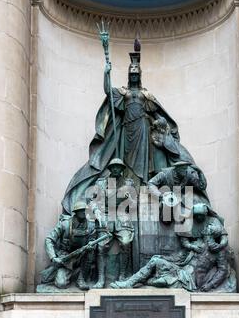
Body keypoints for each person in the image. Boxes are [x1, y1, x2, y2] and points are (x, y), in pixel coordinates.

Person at [62, 43, 196, 215]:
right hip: (126, 132)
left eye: (135, 74)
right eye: (131, 74)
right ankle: (127, 193)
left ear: (139, 76)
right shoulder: (123, 93)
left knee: (143, 164)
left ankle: (144, 192)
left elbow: (158, 115)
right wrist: (106, 73)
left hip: (143, 132)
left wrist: (161, 125)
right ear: (128, 76)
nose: (133, 76)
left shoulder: (146, 95)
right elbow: (108, 92)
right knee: (126, 162)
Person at [88, 158, 136, 288]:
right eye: (113, 167)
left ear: (121, 169)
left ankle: (122, 275)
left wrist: (129, 199)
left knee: (126, 242)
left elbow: (134, 205)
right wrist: (96, 210)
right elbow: (92, 201)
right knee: (101, 246)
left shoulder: (128, 183)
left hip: (122, 216)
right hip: (105, 215)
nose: (116, 169)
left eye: (118, 167)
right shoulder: (101, 183)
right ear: (110, 169)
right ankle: (101, 279)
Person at [41, 202, 96, 290]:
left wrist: (91, 243)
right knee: (61, 284)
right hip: (66, 257)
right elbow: (49, 239)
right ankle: (71, 273)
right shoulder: (65, 224)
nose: (83, 213)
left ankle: (81, 278)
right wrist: (53, 257)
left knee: (90, 251)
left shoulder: (90, 226)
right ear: (76, 212)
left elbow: (92, 238)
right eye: (81, 211)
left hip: (82, 256)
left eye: (84, 211)